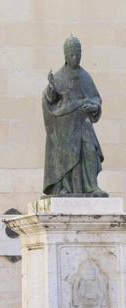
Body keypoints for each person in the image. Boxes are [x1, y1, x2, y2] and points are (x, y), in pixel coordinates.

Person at [42, 35, 107, 197]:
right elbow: (51, 99)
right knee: (68, 154)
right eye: (72, 54)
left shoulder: (85, 76)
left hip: (84, 124)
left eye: (78, 53)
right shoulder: (59, 76)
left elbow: (96, 97)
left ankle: (92, 186)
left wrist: (94, 105)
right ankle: (67, 187)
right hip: (66, 127)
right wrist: (51, 89)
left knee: (91, 150)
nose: (76, 57)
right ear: (66, 55)